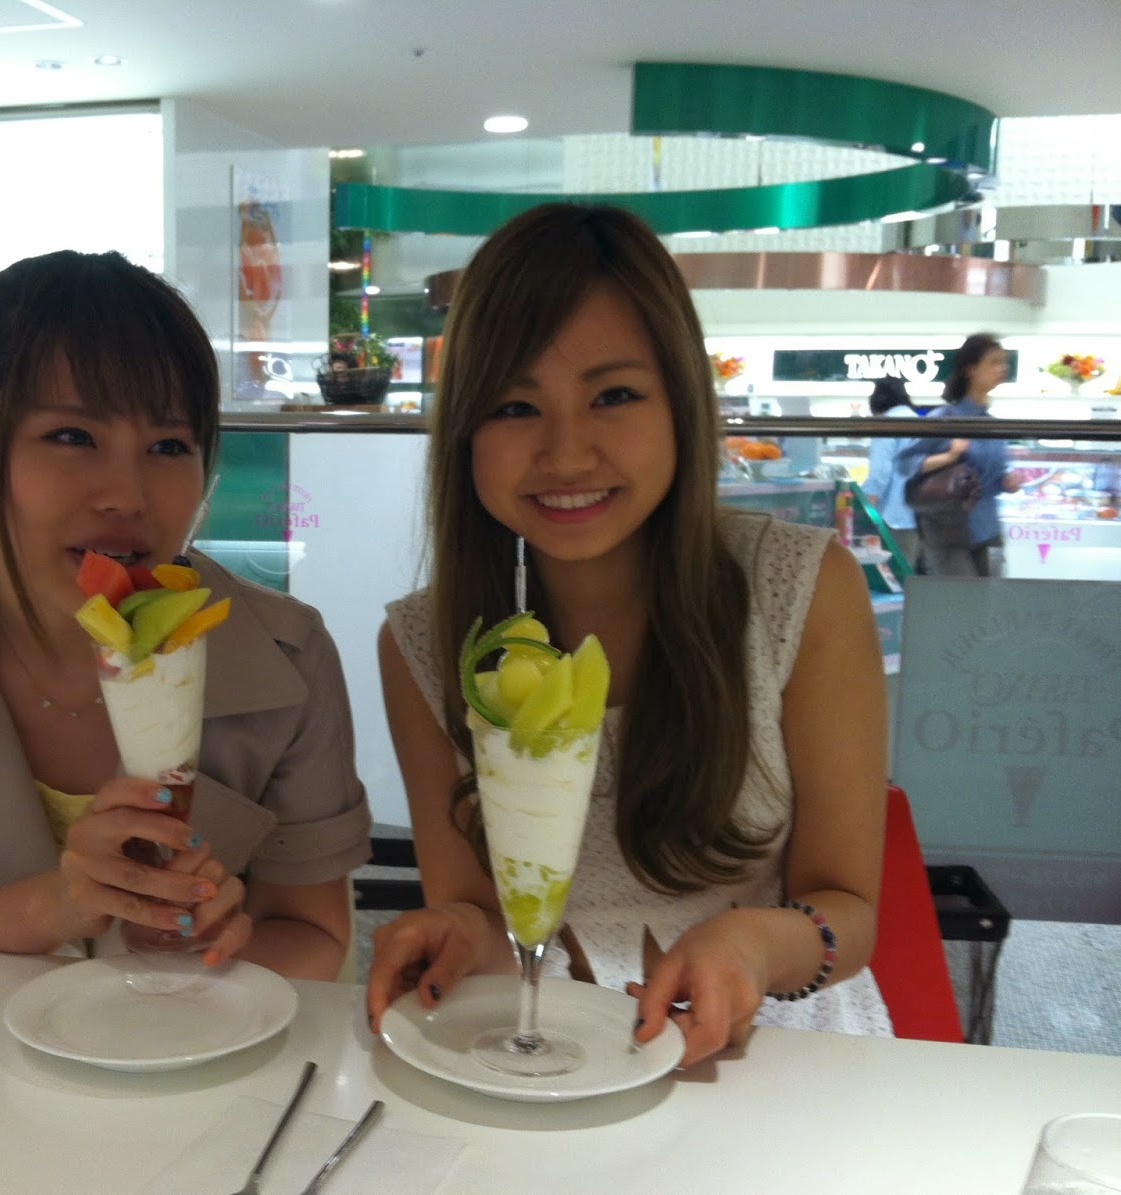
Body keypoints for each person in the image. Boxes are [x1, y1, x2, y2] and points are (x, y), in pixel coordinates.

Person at [365, 204, 892, 1067]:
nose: (567, 453)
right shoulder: (424, 644)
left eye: (613, 395)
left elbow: (850, 910)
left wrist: (753, 944)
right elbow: (480, 917)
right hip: (543, 1053)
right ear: (464, 434)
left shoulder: (802, 589)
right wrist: (452, 929)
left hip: (772, 1060)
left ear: (681, 401)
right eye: (514, 405)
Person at [0, 250, 371, 980]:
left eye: (168, 446)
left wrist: (200, 946)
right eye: (71, 437)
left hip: (196, 1043)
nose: (126, 495)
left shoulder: (286, 657)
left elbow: (315, 936)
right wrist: (54, 906)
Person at [898, 334, 1021, 577]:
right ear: (971, 369)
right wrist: (949, 456)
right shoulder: (945, 418)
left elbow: (991, 476)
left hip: (987, 527)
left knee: (991, 597)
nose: (1003, 368)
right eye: (994, 362)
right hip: (947, 531)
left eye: (1004, 362)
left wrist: (1005, 482)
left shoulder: (992, 424)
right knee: (961, 596)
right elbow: (904, 464)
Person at [863, 376, 924, 572]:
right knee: (909, 573)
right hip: (918, 513)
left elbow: (880, 472)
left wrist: (865, 506)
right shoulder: (919, 422)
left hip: (893, 515)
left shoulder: (888, 423)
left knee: (893, 575)